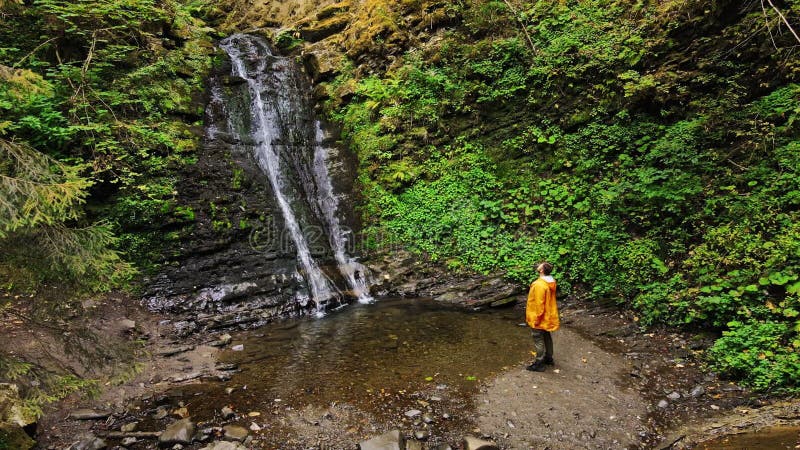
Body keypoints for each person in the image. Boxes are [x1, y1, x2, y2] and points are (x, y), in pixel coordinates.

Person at [525, 261, 559, 372]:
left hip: (539, 316)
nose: (538, 265)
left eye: (541, 265)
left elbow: (539, 304)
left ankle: (539, 363)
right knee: (546, 336)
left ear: (542, 270)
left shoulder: (539, 284)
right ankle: (549, 358)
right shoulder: (551, 281)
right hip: (547, 315)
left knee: (537, 338)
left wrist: (536, 319)